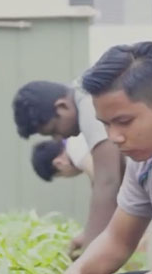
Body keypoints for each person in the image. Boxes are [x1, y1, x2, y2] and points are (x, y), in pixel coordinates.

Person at [41, 42, 152, 274]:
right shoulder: (143, 161)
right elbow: (117, 239)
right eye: (106, 125)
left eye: (124, 122)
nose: (114, 137)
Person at [13, 77, 124, 255]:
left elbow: (107, 181)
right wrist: (89, 235)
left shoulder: (89, 105)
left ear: (62, 106)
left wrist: (88, 256)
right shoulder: (83, 92)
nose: (58, 139)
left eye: (54, 130)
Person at [32, 136, 152, 262]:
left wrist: (90, 244)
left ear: (59, 163)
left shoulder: (77, 152)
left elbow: (106, 191)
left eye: (61, 175)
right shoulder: (80, 142)